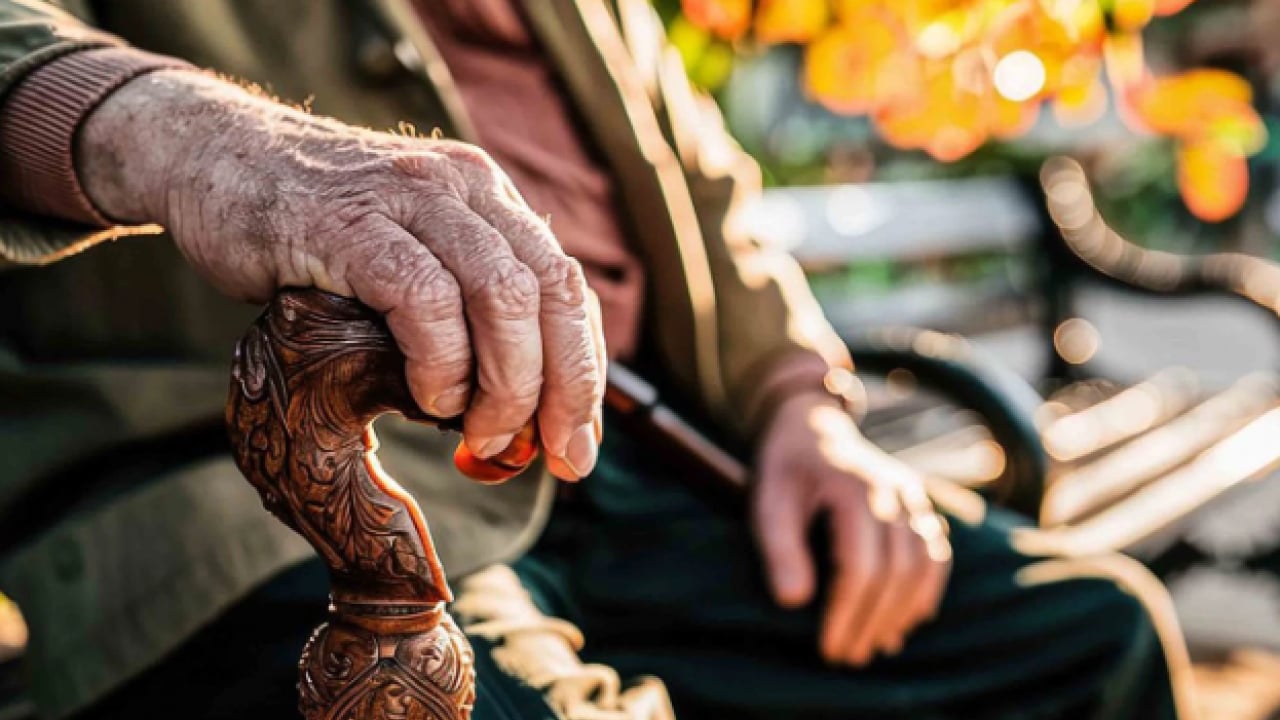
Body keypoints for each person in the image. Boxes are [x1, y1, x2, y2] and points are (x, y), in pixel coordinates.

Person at [0, 1, 1190, 718]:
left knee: (1088, 639)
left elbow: (698, 179)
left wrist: (800, 404)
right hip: (262, 496)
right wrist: (191, 137)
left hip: (646, 461)